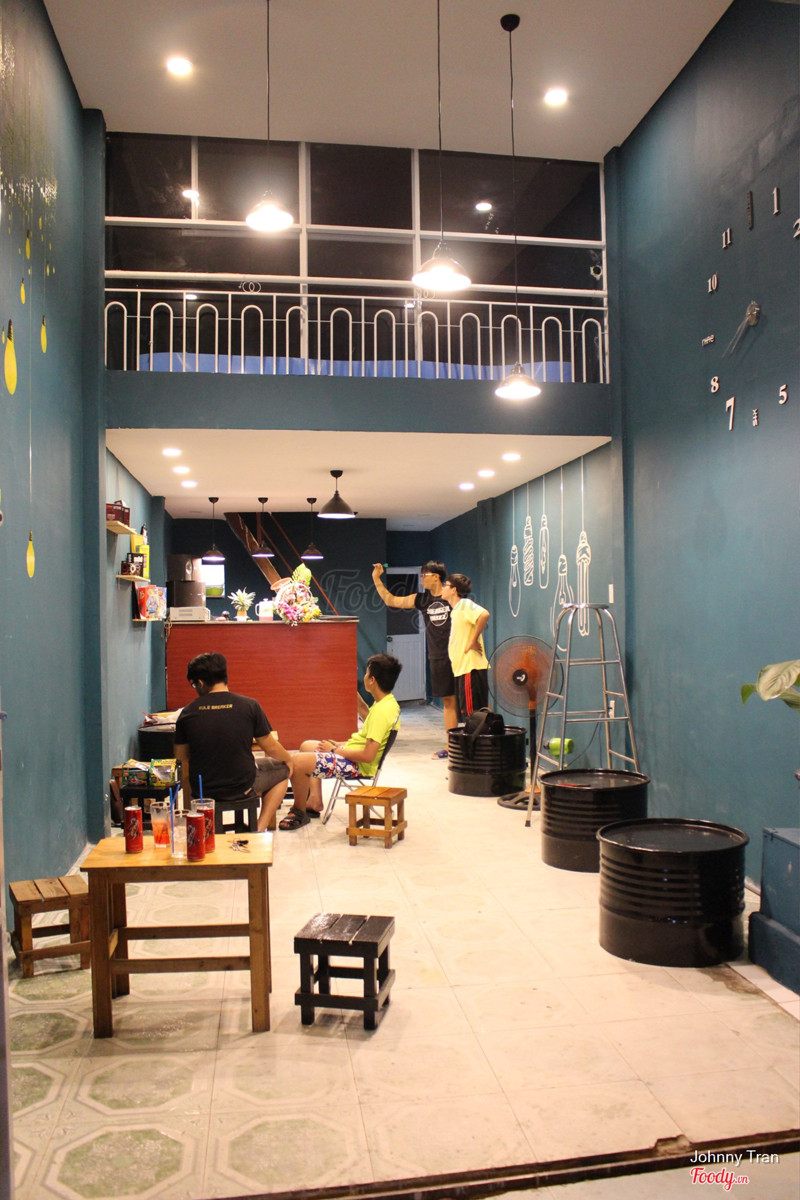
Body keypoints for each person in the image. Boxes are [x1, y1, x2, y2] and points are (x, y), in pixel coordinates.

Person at [174, 651, 293, 833]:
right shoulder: (249, 706)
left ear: (201, 683)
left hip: (203, 790)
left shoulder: (187, 713)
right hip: (243, 786)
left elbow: (181, 757)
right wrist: (289, 759)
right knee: (283, 772)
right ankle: (259, 828)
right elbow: (270, 747)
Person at [279, 653, 402, 830]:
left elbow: (368, 755)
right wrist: (337, 745)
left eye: (366, 673)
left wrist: (334, 750)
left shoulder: (382, 712)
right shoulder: (386, 703)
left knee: (298, 762)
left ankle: (298, 811)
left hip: (358, 765)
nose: (364, 677)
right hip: (352, 754)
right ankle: (314, 800)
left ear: (372, 680)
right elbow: (366, 733)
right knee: (307, 745)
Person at [372, 561, 456, 757]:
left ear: (436, 577)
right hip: (438, 656)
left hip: (460, 655)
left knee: (473, 701)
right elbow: (391, 600)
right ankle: (452, 746)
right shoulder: (422, 599)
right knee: (448, 701)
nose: (422, 579)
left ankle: (483, 740)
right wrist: (376, 578)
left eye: (425, 575)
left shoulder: (451, 595)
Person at [440, 574, 490, 722]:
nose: (442, 588)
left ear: (453, 590)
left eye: (445, 585)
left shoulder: (464, 604)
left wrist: (473, 640)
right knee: (475, 716)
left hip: (470, 669)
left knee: (472, 717)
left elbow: (484, 614)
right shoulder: (456, 610)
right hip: (463, 669)